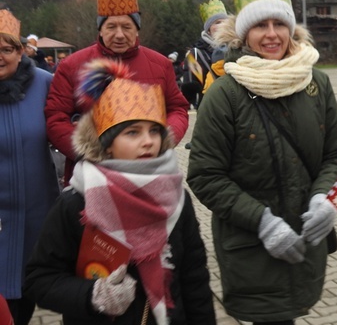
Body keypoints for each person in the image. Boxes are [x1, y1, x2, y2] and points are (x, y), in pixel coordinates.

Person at [187, 0, 337, 325]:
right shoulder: (224, 94)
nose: (272, 34)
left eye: (279, 24)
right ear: (244, 34)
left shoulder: (316, 84)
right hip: (252, 249)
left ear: (292, 29)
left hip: (306, 244)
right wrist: (262, 222)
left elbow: (335, 155)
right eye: (260, 25)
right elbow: (204, 176)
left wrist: (324, 196)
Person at [24, 59, 215, 325]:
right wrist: (93, 294)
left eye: (154, 131)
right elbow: (39, 279)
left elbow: (194, 278)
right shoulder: (77, 201)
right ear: (108, 144)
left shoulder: (175, 196)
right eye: (132, 133)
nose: (148, 141)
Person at [45, 0, 189, 184]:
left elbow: (177, 108)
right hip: (92, 173)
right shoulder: (72, 66)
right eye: (111, 27)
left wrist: (163, 141)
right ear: (101, 30)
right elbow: (55, 117)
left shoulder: (160, 65)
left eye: (127, 27)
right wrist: (92, 151)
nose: (119, 34)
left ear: (137, 30)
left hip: (148, 170)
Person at [0, 10, 60, 325]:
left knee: (25, 299)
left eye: (6, 49)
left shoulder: (45, 84)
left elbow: (75, 127)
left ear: (21, 51)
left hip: (39, 219)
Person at [180, 0, 228, 109]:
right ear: (208, 30)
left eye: (225, 22)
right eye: (217, 23)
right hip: (209, 107)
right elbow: (190, 86)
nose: (221, 25)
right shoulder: (195, 54)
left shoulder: (238, 48)